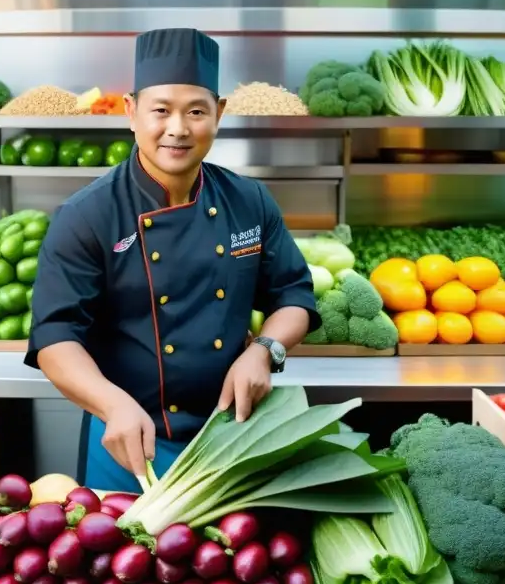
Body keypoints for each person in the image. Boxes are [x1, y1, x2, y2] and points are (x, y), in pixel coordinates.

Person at [25, 28, 320, 492]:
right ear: (131, 112)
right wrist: (110, 405)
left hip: (233, 434)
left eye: (196, 111)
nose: (178, 128)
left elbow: (295, 295)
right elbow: (55, 338)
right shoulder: (86, 215)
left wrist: (266, 350)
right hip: (127, 439)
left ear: (219, 114)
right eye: (160, 110)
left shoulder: (249, 200)